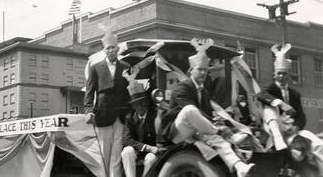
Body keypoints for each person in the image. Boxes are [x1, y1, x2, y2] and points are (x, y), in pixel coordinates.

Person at [160, 38, 255, 177]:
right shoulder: (182, 88)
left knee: (216, 140)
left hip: (196, 131)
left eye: (205, 70)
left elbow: (208, 115)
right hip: (177, 132)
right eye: (200, 70)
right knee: (190, 110)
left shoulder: (204, 92)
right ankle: (223, 134)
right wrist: (218, 129)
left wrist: (222, 125)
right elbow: (193, 112)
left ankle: (239, 166)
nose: (203, 73)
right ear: (191, 70)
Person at [257, 43, 323, 173]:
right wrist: (280, 103)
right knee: (270, 108)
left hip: (291, 131)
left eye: (284, 74)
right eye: (279, 73)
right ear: (274, 75)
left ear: (288, 76)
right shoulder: (270, 89)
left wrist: (296, 127)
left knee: (318, 143)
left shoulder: (295, 94)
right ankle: (278, 140)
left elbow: (302, 117)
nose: (281, 76)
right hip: (274, 128)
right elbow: (260, 95)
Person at [84, 31, 131, 177]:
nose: (111, 50)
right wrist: (88, 110)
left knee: (117, 153)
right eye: (108, 48)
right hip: (102, 114)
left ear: (118, 49)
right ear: (104, 50)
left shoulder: (126, 66)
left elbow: (129, 90)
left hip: (121, 115)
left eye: (113, 47)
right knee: (104, 153)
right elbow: (90, 91)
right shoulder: (95, 67)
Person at [121, 80, 159, 177]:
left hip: (153, 151)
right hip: (138, 150)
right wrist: (146, 147)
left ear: (147, 102)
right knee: (127, 152)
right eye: (137, 103)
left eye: (142, 102)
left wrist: (153, 148)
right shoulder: (130, 117)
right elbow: (127, 140)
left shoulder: (155, 115)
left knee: (151, 159)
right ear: (133, 106)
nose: (140, 105)